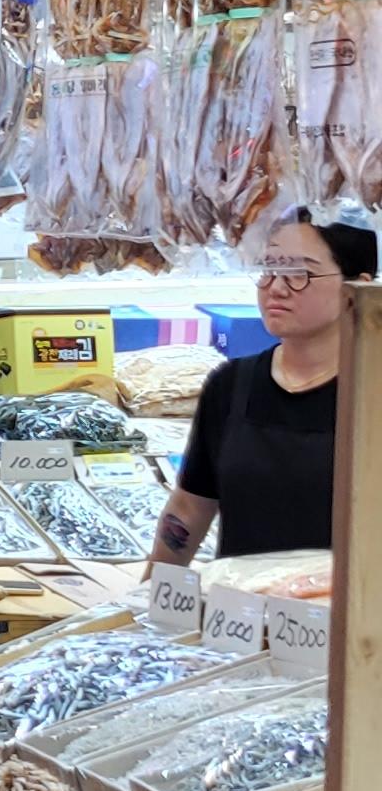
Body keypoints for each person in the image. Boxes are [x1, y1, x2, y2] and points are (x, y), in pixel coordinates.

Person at [152, 211, 376, 564]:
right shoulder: (231, 384)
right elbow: (190, 507)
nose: (276, 287)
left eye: (299, 274)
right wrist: (152, 588)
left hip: (348, 599)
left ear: (358, 288)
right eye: (269, 268)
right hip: (239, 599)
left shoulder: (372, 391)